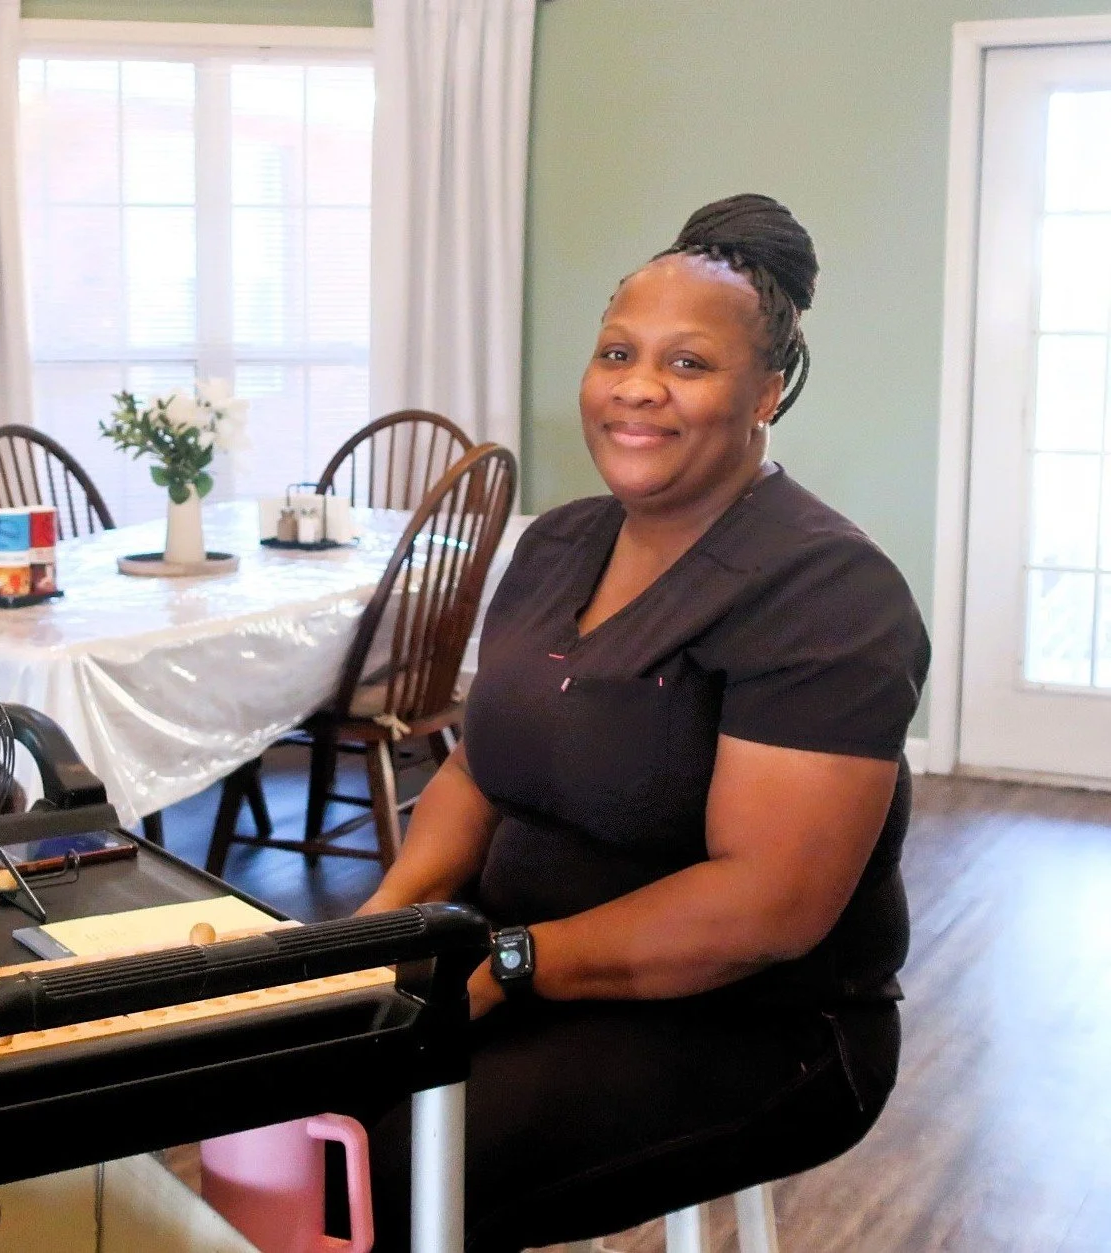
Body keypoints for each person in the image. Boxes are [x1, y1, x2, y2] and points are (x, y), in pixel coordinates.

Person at [356, 194, 930, 1252]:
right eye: (617, 350)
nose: (637, 387)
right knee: (286, 1094)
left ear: (769, 393)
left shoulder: (830, 593)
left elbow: (767, 907)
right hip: (517, 960)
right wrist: (383, 923)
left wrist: (513, 963)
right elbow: (484, 768)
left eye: (689, 364)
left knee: (398, 1168)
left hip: (754, 1022)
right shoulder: (556, 545)